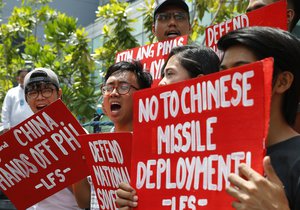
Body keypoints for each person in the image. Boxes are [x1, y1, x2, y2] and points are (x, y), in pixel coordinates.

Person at [115, 45, 220, 209]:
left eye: (170, 74)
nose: (161, 83)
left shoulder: (226, 146)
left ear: (199, 81)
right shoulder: (150, 143)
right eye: (163, 75)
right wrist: (129, 201)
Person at [217, 26, 300, 210]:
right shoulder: (213, 159)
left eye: (241, 71)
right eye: (222, 73)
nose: (226, 83)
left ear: (282, 81)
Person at [72, 60, 152, 210]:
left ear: (142, 96)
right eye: (108, 88)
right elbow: (84, 202)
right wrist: (77, 167)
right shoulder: (95, 146)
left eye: (123, 87)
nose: (114, 93)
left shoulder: (153, 147)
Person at [24, 67, 83, 210]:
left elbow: (86, 199)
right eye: (33, 92)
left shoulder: (79, 135)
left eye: (46, 90)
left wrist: (58, 164)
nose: (40, 97)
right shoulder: (22, 140)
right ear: (26, 99)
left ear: (59, 94)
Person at [1, 69, 33, 133]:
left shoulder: (34, 91)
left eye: (26, 77)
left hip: (33, 128)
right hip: (15, 130)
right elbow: (5, 110)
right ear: (18, 78)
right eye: (22, 76)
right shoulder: (11, 92)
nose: (24, 79)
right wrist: (5, 127)